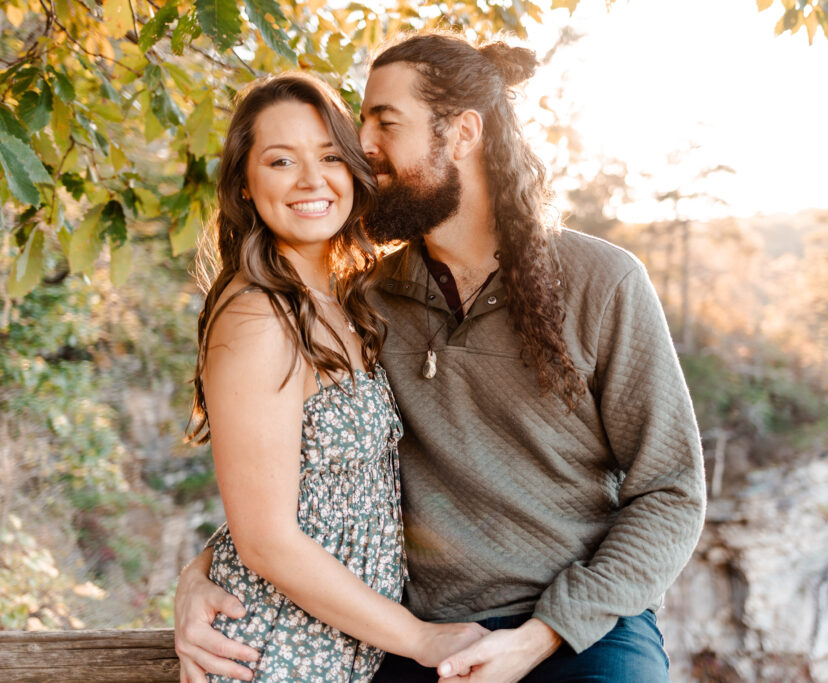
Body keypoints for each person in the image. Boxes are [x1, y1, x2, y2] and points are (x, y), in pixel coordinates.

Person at [175, 34, 706, 683]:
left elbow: (672, 491)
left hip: (584, 629)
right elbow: (297, 479)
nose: (362, 145)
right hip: (421, 634)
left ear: (461, 133)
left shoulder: (603, 281)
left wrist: (543, 634)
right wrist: (200, 574)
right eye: (362, 123)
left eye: (384, 122)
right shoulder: (365, 300)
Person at [182, 71, 486, 683]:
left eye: (328, 156)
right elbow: (266, 539)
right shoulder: (257, 316)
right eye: (280, 161)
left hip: (352, 647)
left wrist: (199, 566)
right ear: (245, 184)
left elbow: (291, 490)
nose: (311, 180)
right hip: (282, 651)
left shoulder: (348, 298)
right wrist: (422, 641)